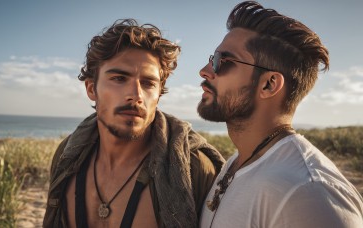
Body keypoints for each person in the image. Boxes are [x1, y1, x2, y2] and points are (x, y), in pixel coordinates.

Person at [42, 19, 225, 228]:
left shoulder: (195, 167)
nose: (135, 95)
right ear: (92, 89)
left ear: (158, 95)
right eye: (119, 78)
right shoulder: (68, 157)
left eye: (148, 83)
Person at [197, 1, 363, 227]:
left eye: (222, 62)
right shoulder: (237, 163)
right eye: (211, 59)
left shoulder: (308, 193)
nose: (205, 71)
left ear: (269, 84)